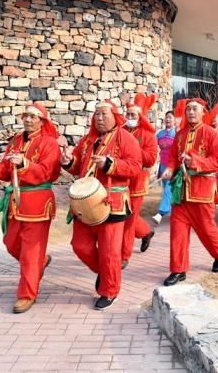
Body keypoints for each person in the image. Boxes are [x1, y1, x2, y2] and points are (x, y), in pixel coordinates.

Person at [0, 102, 61, 314]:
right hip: (16, 203)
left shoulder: (49, 144)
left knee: (30, 253)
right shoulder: (15, 141)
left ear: (42, 122)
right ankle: (40, 262)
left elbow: (46, 172)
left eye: (33, 117)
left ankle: (27, 294)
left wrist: (25, 164)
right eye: (26, 116)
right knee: (11, 242)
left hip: (38, 204)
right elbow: (6, 170)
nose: (28, 120)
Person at [62, 101, 142, 310]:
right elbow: (77, 167)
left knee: (110, 252)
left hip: (112, 203)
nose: (98, 118)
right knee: (80, 245)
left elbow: (135, 167)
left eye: (103, 114)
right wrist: (68, 161)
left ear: (115, 116)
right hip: (85, 204)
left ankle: (109, 289)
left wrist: (110, 164)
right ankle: (106, 272)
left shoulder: (127, 139)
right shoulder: (87, 141)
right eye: (96, 114)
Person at [160, 98, 218, 286]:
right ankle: (178, 270)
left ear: (203, 112)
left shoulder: (212, 134)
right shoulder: (180, 134)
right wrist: (169, 169)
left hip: (202, 192)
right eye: (188, 109)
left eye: (194, 109)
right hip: (180, 193)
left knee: (206, 229)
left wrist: (195, 162)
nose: (190, 112)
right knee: (177, 232)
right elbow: (173, 158)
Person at [121, 95, 159, 269]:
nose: (129, 118)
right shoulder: (120, 131)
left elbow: (151, 159)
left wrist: (133, 149)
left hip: (136, 182)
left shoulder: (148, 134)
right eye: (127, 114)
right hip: (119, 180)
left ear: (141, 117)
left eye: (133, 115)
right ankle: (145, 232)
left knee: (129, 218)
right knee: (122, 216)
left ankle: (124, 255)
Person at [152, 111, 176, 225]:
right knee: (167, 188)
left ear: (174, 120)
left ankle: (160, 213)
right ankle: (172, 208)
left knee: (169, 188)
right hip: (162, 165)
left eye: (170, 118)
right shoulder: (160, 134)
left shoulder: (177, 134)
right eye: (166, 118)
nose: (168, 120)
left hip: (172, 165)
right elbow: (152, 146)